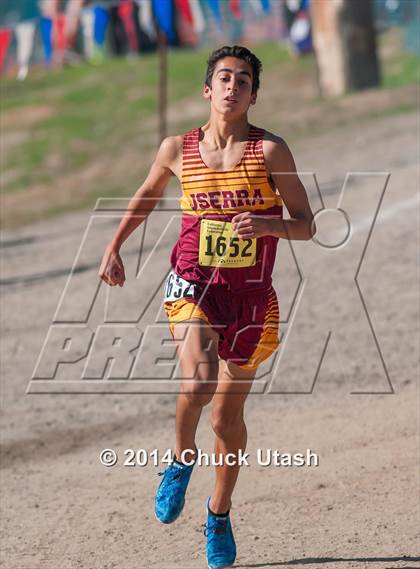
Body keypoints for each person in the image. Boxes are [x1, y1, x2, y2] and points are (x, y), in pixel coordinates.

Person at [99, 45, 316, 569]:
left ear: (253, 95)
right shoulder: (178, 148)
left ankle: (218, 513)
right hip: (193, 284)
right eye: (224, 77)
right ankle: (178, 460)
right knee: (196, 384)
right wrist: (115, 243)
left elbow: (306, 223)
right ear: (207, 89)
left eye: (243, 80)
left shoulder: (270, 153)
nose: (233, 86)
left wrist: (268, 225)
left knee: (224, 418)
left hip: (251, 298)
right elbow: (148, 193)